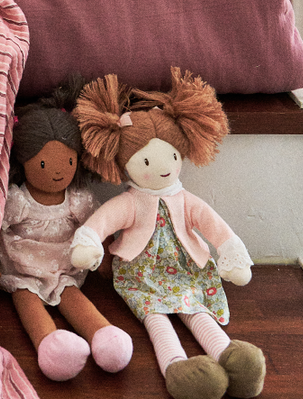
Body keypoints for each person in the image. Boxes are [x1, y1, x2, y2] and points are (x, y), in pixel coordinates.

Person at [70, 69, 266, 399]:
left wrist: (231, 252)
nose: (162, 167)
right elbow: (102, 221)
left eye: (172, 156)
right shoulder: (130, 202)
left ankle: (229, 355)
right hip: (142, 276)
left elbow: (213, 225)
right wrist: (88, 241)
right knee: (155, 316)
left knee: (196, 308)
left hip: (186, 272)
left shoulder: (185, 199)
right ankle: (177, 366)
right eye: (144, 160)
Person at [0, 79, 133, 381]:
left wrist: (105, 258)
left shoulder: (77, 199)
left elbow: (95, 227)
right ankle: (50, 345)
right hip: (22, 271)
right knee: (27, 299)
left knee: (72, 296)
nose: (59, 171)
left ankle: (105, 334)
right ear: (24, 160)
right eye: (45, 163)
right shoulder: (17, 200)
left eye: (69, 160)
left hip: (66, 269)